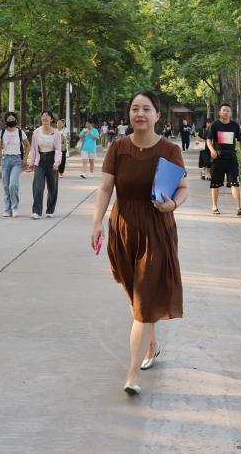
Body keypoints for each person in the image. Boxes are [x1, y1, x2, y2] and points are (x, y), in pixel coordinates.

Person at [91, 91, 188, 396]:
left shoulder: (169, 150)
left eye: (146, 109)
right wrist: (97, 222)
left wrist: (173, 204)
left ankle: (132, 374)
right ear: (129, 114)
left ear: (157, 115)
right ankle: (152, 345)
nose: (140, 114)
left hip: (156, 230)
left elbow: (183, 187)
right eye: (135, 108)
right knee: (135, 296)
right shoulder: (118, 148)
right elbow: (105, 189)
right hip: (122, 229)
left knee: (143, 303)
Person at [208, 103, 241, 216]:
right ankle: (214, 206)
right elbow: (208, 139)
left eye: (228, 111)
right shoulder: (215, 125)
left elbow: (240, 140)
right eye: (224, 110)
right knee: (215, 183)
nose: (226, 112)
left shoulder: (235, 125)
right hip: (218, 158)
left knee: (235, 182)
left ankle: (239, 208)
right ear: (220, 112)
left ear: (230, 113)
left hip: (231, 158)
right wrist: (212, 150)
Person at [0, 112, 30, 217]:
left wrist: (25, 158)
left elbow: (28, 145)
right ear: (5, 121)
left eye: (12, 119)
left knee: (13, 185)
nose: (11, 121)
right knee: (6, 186)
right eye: (9, 119)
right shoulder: (1, 132)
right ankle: (7, 209)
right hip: (5, 160)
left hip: (17, 160)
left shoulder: (20, 132)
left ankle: (15, 208)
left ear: (16, 120)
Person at [28, 111, 63, 219]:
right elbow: (34, 149)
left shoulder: (56, 133)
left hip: (52, 159)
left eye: (47, 116)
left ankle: (50, 210)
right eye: (43, 116)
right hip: (40, 159)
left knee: (52, 187)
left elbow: (58, 149)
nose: (45, 118)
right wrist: (32, 163)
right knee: (38, 187)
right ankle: (36, 211)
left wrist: (56, 162)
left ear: (51, 119)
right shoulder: (36, 132)